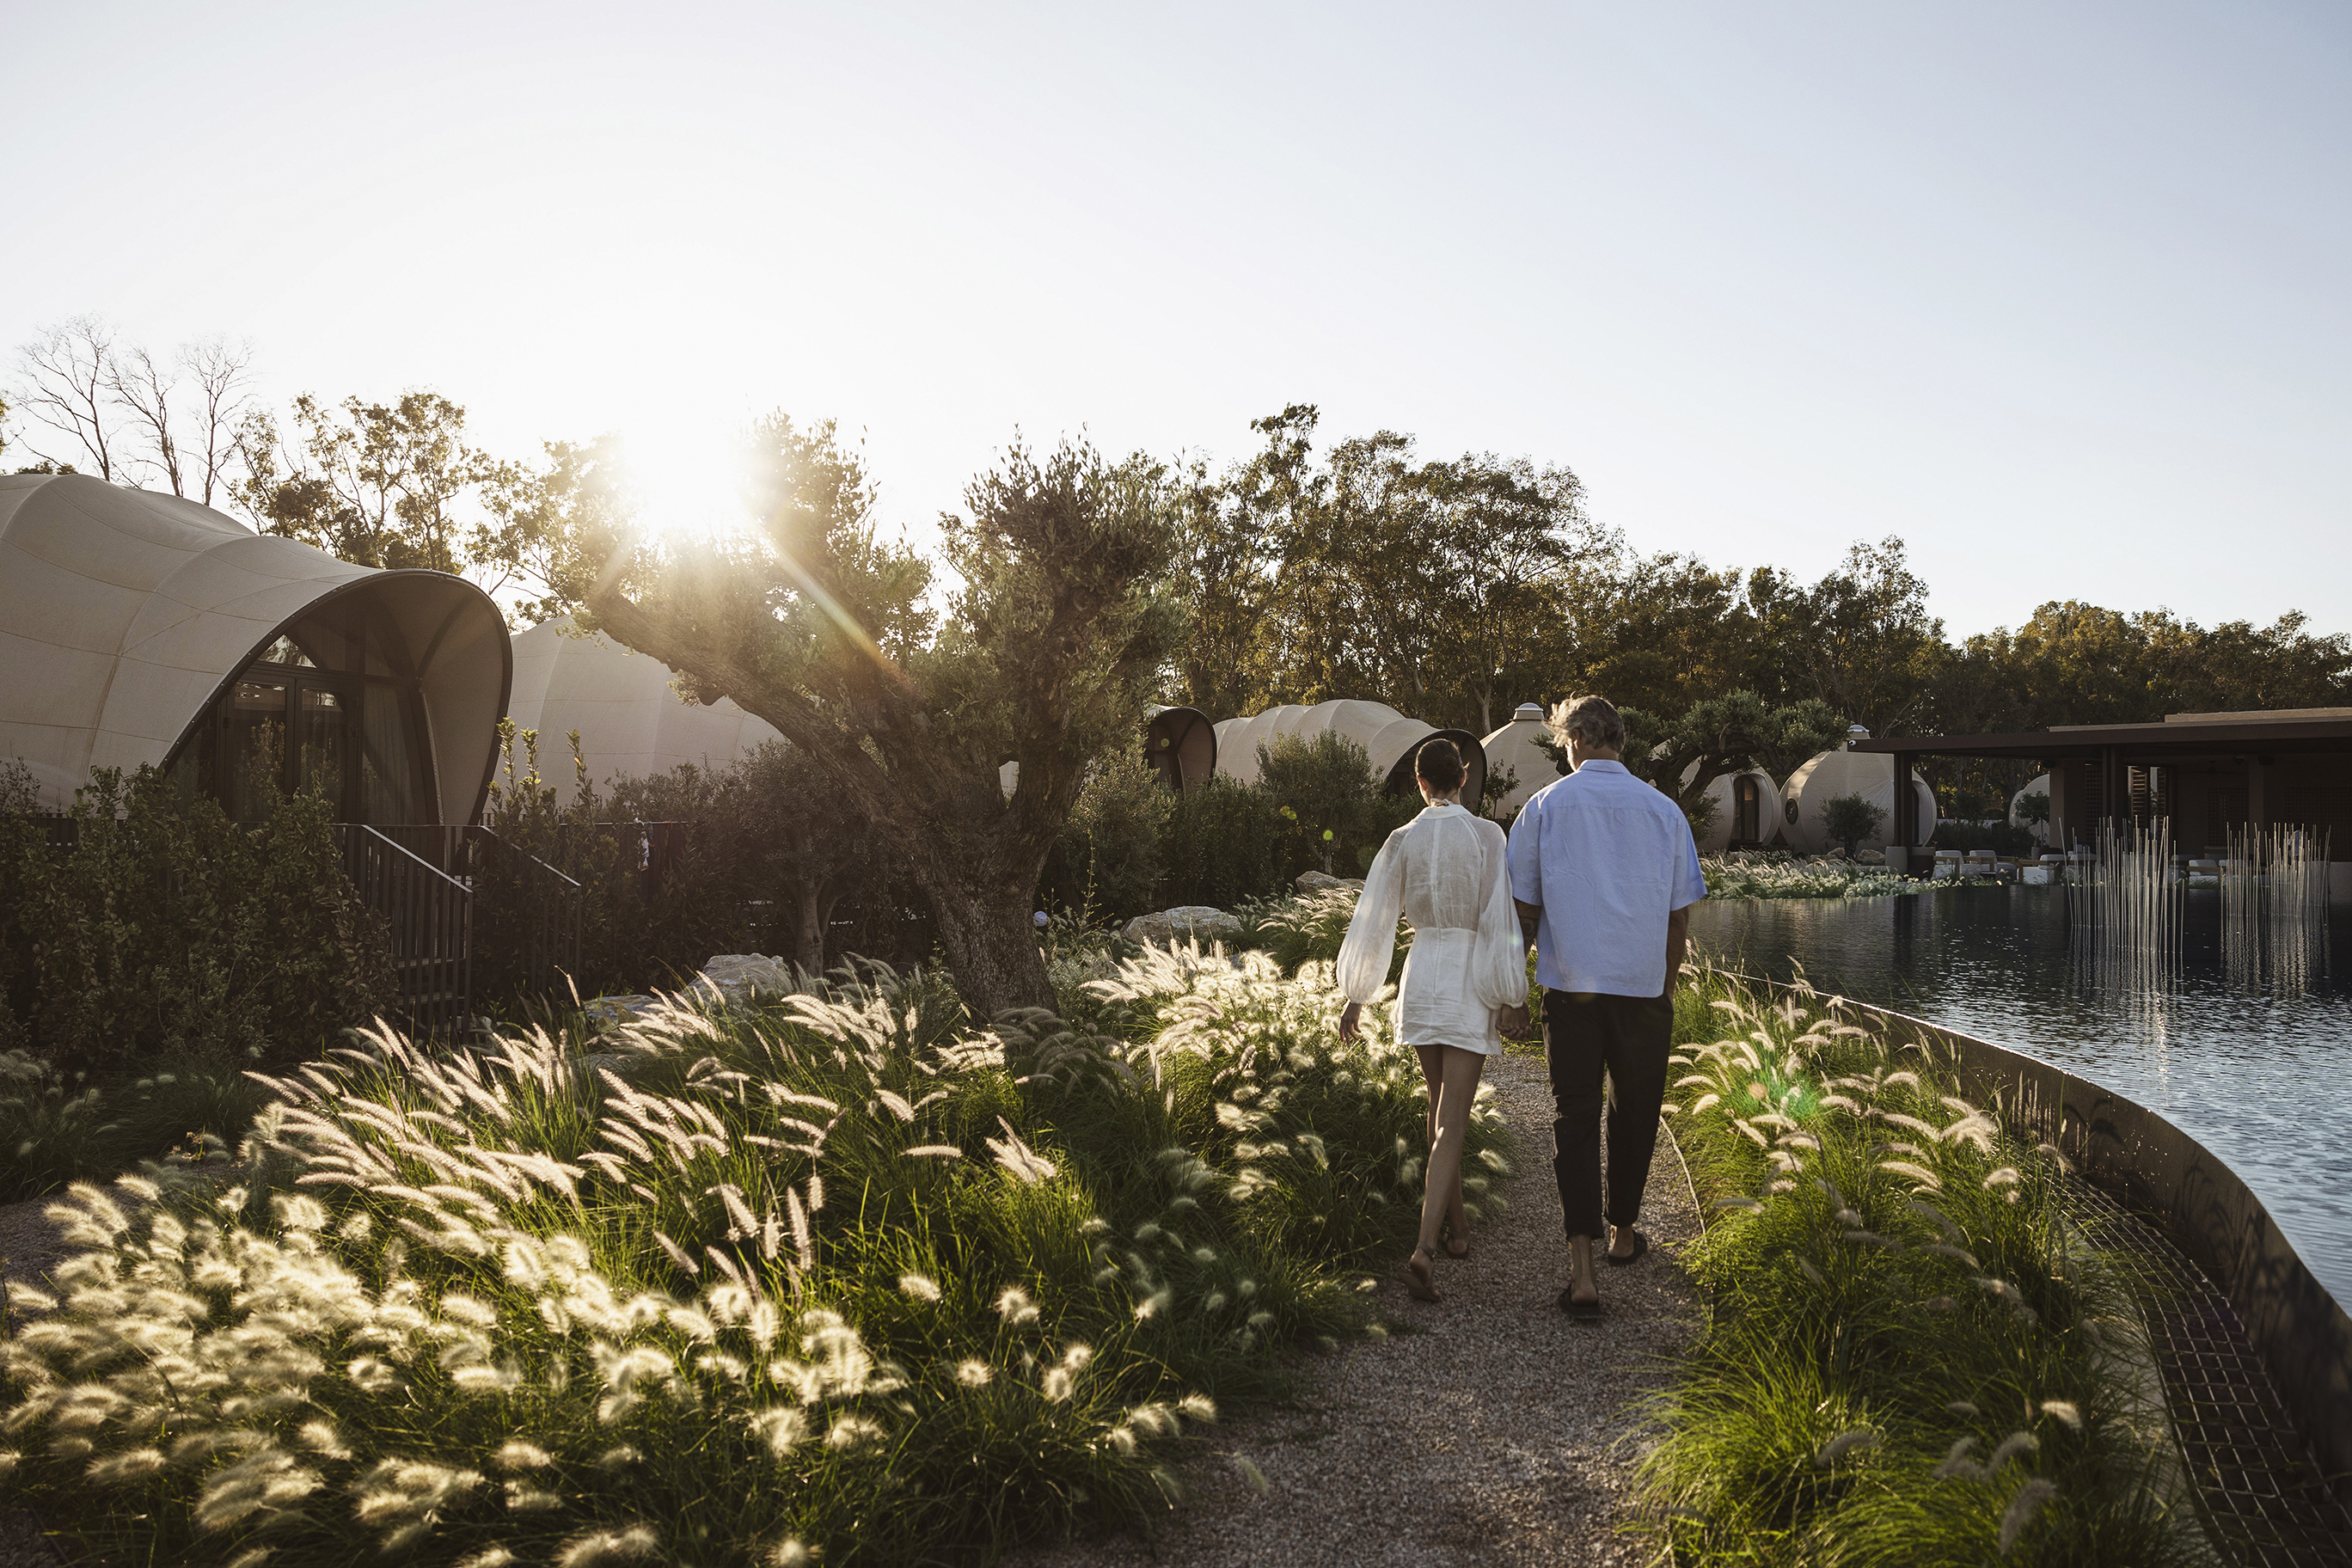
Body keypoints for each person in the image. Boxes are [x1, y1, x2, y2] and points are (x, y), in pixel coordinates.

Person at [1505, 695, 1706, 1319]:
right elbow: (1678, 918)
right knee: (1636, 1112)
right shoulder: (1664, 811)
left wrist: (1517, 991)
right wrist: (1665, 985)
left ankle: (1582, 1271)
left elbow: (1524, 912)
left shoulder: (1544, 807)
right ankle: (1622, 1233)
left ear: (1574, 742)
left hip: (1571, 989)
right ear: (1618, 740)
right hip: (1642, 989)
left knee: (1574, 1116)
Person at [1335, 737, 1531, 1303]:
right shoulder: (1488, 835)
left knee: (1437, 1104)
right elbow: (1500, 919)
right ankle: (1423, 1248)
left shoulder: (1401, 839)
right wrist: (1511, 994)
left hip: (1422, 978)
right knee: (1452, 1119)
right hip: (1467, 980)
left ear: (1419, 783)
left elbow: (1372, 918)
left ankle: (1459, 1230)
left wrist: (1358, 995)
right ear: (1464, 777)